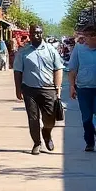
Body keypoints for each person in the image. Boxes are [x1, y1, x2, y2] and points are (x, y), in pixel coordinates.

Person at [13, 24, 64, 154]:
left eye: (39, 32)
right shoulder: (23, 52)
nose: (37, 35)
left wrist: (58, 88)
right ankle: (37, 143)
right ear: (29, 34)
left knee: (49, 118)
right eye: (34, 33)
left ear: (42, 33)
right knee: (33, 118)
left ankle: (46, 133)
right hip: (30, 90)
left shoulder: (51, 50)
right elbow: (17, 71)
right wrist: (18, 89)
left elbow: (58, 69)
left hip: (48, 89)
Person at [68, 23, 96, 152]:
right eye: (87, 36)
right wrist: (72, 86)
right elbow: (72, 69)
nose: (90, 38)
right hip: (83, 89)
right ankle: (90, 142)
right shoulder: (79, 49)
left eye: (93, 35)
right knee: (86, 118)